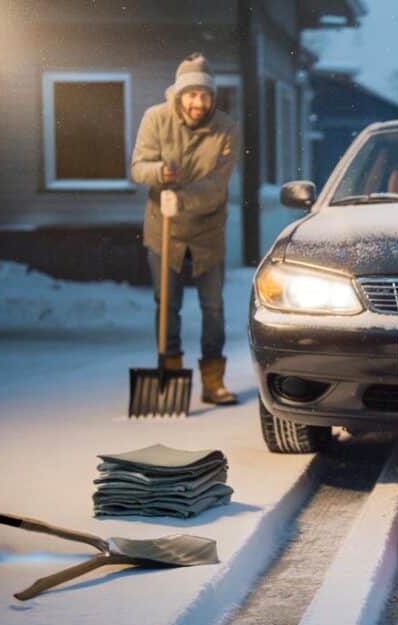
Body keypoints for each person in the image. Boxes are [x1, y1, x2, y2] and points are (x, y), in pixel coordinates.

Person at [131, 53, 239, 405]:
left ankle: (213, 382)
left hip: (208, 232)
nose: (199, 102)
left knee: (213, 308)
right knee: (167, 306)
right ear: (179, 95)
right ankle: (169, 378)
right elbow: (138, 167)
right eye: (192, 95)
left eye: (205, 95)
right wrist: (159, 172)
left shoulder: (227, 129)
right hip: (164, 231)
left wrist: (182, 198)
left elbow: (217, 183)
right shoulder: (155, 119)